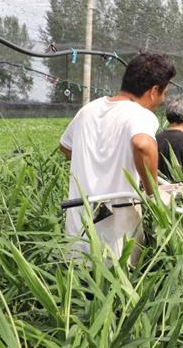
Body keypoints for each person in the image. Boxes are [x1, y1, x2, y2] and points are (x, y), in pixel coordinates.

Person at [59, 52, 176, 258]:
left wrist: (95, 162)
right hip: (116, 249)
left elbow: (66, 148)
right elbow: (142, 144)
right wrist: (153, 194)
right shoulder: (139, 114)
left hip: (78, 238)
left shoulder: (88, 110)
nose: (162, 100)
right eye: (164, 93)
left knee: (77, 287)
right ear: (154, 90)